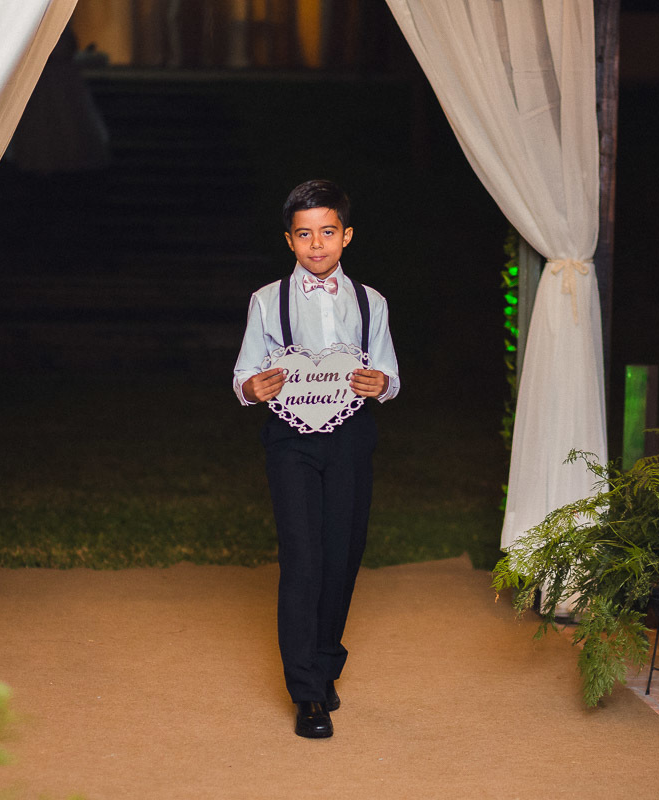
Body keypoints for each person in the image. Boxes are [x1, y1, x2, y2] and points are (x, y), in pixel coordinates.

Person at [232, 179, 400, 738]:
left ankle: (325, 664)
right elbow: (244, 371)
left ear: (346, 236)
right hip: (290, 440)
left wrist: (382, 384)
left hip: (350, 437)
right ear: (289, 240)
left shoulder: (371, 301)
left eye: (328, 232)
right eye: (304, 235)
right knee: (303, 557)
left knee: (341, 554)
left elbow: (389, 372)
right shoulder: (267, 300)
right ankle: (306, 691)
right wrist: (251, 387)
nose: (317, 244)